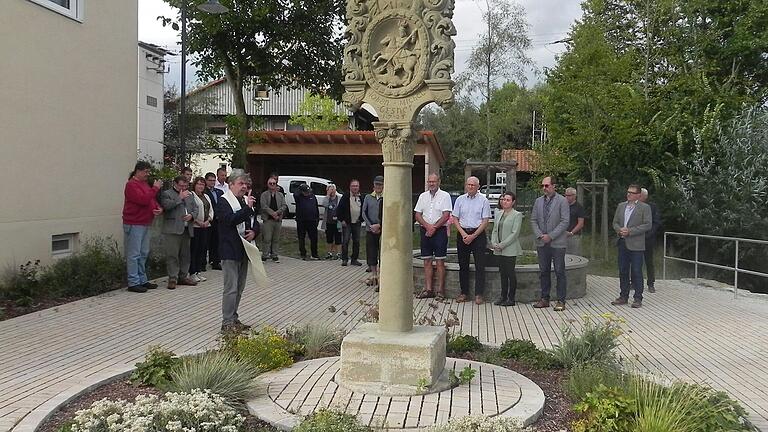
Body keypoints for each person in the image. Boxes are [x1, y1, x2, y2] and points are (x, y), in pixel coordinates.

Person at [217, 170, 259, 332]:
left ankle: (234, 318)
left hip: (244, 250)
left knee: (239, 288)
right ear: (231, 184)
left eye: (245, 184)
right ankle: (226, 322)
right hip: (229, 250)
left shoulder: (243, 201)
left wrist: (255, 231)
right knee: (231, 288)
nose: (244, 187)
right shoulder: (223, 202)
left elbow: (255, 221)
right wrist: (247, 209)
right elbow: (230, 220)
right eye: (241, 183)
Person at [122, 161, 163, 293]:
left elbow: (150, 200)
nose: (148, 174)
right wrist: (155, 188)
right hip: (134, 223)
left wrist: (158, 208)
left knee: (143, 252)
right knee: (134, 254)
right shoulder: (131, 185)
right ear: (138, 171)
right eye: (146, 171)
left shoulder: (144, 184)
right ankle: (133, 282)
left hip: (145, 222)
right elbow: (143, 199)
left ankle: (142, 279)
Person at [531, 176, 570, 311]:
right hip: (542, 242)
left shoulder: (562, 201)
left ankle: (561, 300)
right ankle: (544, 298)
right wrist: (540, 235)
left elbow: (565, 221)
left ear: (554, 186)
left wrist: (551, 236)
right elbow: (533, 220)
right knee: (544, 271)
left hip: (557, 243)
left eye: (547, 186)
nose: (544, 188)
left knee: (559, 271)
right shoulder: (538, 201)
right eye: (542, 186)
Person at [451, 176, 491, 304]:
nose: (470, 187)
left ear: (478, 187)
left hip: (478, 235)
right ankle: (464, 293)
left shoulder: (483, 201)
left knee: (480, 265)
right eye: (468, 184)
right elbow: (455, 219)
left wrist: (473, 235)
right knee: (463, 265)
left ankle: (479, 294)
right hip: (462, 233)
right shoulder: (460, 200)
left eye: (473, 185)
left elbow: (485, 221)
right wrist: (463, 234)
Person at [611, 185, 652, 307]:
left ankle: (638, 298)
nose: (629, 194)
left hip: (636, 245)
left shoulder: (645, 208)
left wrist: (631, 231)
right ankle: (623, 296)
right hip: (623, 242)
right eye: (628, 192)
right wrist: (619, 230)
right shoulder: (621, 206)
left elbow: (647, 225)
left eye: (632, 193)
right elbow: (615, 222)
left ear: (638, 195)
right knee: (623, 270)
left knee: (636, 271)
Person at [414, 173, 453, 299]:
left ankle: (440, 291)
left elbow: (446, 215)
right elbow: (418, 215)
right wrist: (428, 226)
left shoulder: (445, 196)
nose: (431, 184)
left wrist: (434, 227)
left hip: (440, 231)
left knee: (440, 261)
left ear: (439, 182)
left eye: (434, 181)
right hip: (425, 231)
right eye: (429, 181)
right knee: (427, 260)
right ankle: (428, 289)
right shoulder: (422, 196)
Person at [160, 175, 199, 289]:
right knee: (172, 255)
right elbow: (166, 206)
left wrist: (191, 216)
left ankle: (183, 276)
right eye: (181, 185)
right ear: (175, 184)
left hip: (187, 228)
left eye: (185, 185)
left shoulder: (190, 194)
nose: (183, 188)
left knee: (185, 255)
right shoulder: (167, 193)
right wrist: (179, 198)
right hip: (172, 229)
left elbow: (196, 208)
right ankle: (172, 278)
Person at [490, 192, 523, 306]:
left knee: (510, 273)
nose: (505, 202)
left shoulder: (517, 215)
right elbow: (495, 229)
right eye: (504, 199)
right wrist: (494, 243)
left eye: (508, 200)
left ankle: (511, 298)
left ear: (513, 202)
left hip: (510, 249)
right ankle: (503, 296)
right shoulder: (498, 213)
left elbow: (515, 233)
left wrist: (503, 244)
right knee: (502, 273)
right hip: (498, 249)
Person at [362, 175, 384, 289]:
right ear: (373, 185)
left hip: (382, 229)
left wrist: (380, 225)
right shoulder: (368, 197)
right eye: (376, 184)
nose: (378, 186)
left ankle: (382, 276)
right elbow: (363, 213)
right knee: (371, 251)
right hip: (370, 229)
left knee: (382, 252)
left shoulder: (386, 197)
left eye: (380, 184)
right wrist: (371, 226)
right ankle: (374, 275)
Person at [189, 176, 213, 282]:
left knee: (202, 249)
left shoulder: (206, 196)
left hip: (205, 226)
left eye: (202, 184)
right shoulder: (191, 196)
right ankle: (192, 272)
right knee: (194, 249)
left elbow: (211, 210)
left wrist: (208, 220)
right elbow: (190, 210)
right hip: (195, 226)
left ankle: (198, 271)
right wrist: (198, 221)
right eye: (198, 184)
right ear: (194, 185)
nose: (200, 186)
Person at [259, 175, 287, 263]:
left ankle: (274, 255)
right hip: (268, 220)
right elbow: (264, 206)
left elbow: (284, 205)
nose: (272, 185)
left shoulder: (280, 195)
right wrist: (272, 213)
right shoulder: (264, 195)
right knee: (267, 238)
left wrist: (277, 213)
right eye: (270, 183)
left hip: (278, 220)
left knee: (276, 239)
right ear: (267, 185)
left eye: (273, 183)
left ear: (276, 184)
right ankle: (265, 255)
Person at [337, 179, 364, 267]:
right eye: (353, 186)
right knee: (345, 241)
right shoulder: (345, 196)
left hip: (357, 223)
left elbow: (364, 209)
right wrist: (342, 220)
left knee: (356, 241)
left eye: (356, 186)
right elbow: (339, 209)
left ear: (359, 187)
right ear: (350, 187)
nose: (355, 188)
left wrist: (361, 219)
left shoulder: (361, 197)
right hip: (347, 223)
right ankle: (344, 259)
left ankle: (354, 259)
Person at [639, 188, 662, 293]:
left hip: (648, 238)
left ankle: (651, 283)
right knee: (635, 261)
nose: (638, 197)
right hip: (636, 238)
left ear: (645, 196)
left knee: (649, 261)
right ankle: (635, 282)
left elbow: (656, 223)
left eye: (640, 195)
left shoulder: (652, 207)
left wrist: (649, 234)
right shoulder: (635, 206)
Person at [294, 183, 320, 260]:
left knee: (314, 238)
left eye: (308, 191)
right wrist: (300, 187)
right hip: (301, 220)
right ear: (301, 192)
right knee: (301, 238)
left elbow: (316, 207)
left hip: (312, 220)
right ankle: (303, 254)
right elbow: (295, 194)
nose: (308, 193)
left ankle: (314, 254)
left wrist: (317, 218)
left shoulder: (312, 196)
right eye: (306, 192)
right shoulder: (298, 197)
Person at [204, 172, 223, 270]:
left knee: (216, 241)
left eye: (213, 180)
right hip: (208, 219)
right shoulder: (204, 192)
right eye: (210, 180)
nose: (212, 182)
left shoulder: (219, 192)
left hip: (218, 220)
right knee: (206, 241)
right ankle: (203, 262)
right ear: (206, 181)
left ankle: (216, 261)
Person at [323, 184, 342, 260]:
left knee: (338, 238)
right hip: (328, 222)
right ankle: (329, 253)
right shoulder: (326, 198)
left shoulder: (339, 198)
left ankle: (338, 254)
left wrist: (339, 217)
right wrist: (327, 195)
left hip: (337, 222)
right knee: (329, 238)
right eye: (330, 189)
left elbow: (342, 208)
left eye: (333, 189)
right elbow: (324, 204)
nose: (331, 191)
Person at [564, 187, 586, 256]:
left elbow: (581, 223)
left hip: (574, 236)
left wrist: (571, 232)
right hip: (562, 235)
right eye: (566, 195)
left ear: (574, 196)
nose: (567, 197)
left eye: (569, 195)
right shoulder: (563, 206)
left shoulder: (579, 207)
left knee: (574, 256)